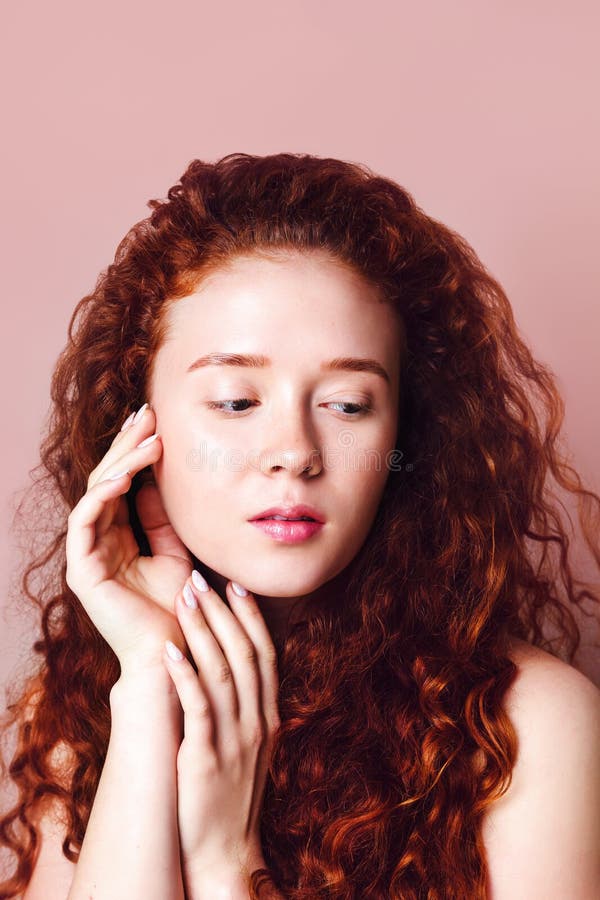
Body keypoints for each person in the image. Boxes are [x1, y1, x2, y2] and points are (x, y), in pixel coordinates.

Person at [0, 152, 599, 900]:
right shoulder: (77, 709)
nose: (294, 453)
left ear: (403, 439)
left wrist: (225, 863)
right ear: (138, 428)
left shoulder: (527, 727)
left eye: (348, 405)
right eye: (235, 401)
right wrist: (151, 688)